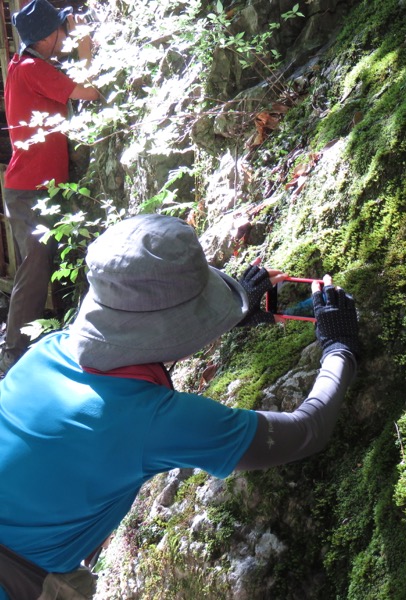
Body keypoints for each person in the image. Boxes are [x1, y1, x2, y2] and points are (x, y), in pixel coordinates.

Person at [0, 214, 360, 599]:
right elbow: (306, 432)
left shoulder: (49, 350)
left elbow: (127, 342)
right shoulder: (152, 420)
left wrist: (226, 315)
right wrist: (340, 347)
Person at [0, 0, 101, 375]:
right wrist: (86, 43)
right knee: (36, 266)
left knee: (53, 261)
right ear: (45, 37)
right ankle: (12, 354)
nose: (65, 35)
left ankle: (51, 335)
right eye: (60, 30)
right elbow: (88, 92)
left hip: (38, 186)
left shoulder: (26, 66)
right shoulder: (31, 69)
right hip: (30, 189)